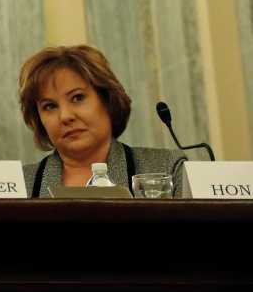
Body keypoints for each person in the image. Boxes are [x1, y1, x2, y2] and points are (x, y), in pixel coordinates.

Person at [18, 45, 186, 197]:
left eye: (77, 98)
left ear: (107, 100)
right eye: (49, 106)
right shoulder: (22, 185)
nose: (65, 116)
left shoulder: (166, 167)